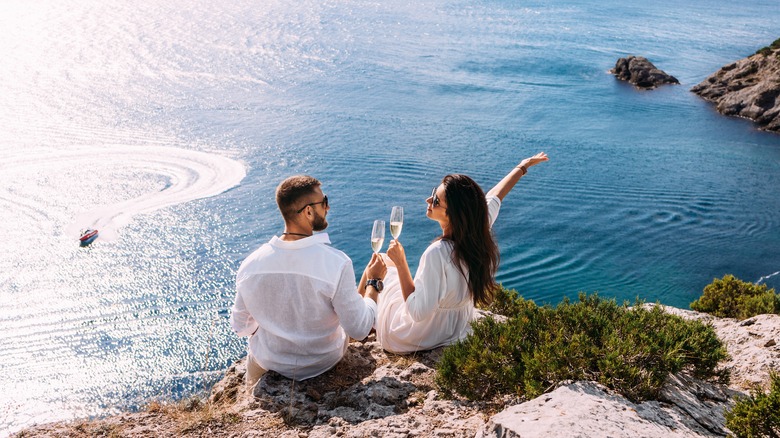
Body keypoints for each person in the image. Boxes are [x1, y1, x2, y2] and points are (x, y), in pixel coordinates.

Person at [372, 152, 549, 353]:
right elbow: (495, 196)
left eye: (436, 201)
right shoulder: (478, 232)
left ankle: (359, 324)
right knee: (386, 266)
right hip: (454, 331)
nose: (428, 200)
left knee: (382, 264)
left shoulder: (436, 253)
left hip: (413, 336)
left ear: (453, 214)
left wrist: (402, 263)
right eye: (433, 193)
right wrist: (522, 166)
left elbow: (417, 312)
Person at [231, 175, 387, 389]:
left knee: (251, 382)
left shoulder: (250, 265)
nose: (328, 207)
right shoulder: (336, 262)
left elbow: (241, 328)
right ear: (308, 211)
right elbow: (359, 329)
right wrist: (374, 282)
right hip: (323, 362)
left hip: (269, 363)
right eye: (324, 202)